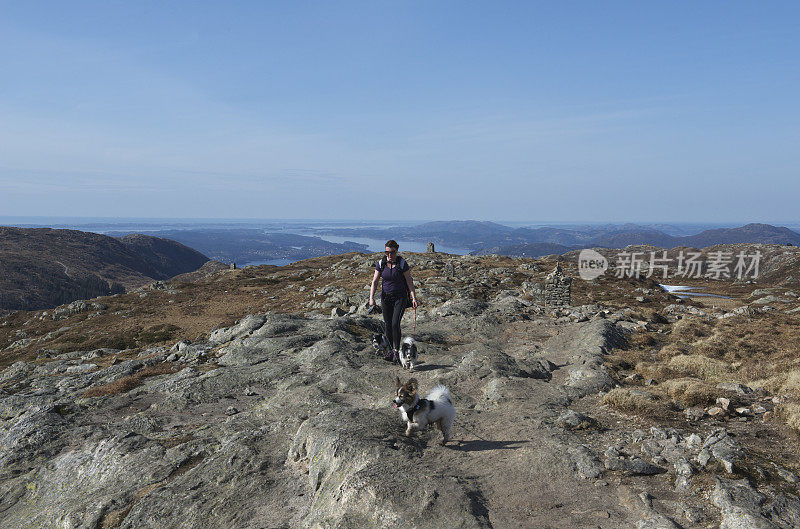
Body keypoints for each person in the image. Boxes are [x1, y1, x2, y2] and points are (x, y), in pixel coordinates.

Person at [369, 240, 418, 362]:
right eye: (387, 252)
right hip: (385, 298)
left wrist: (413, 297)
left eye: (392, 252)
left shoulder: (402, 264)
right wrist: (371, 298)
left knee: (395, 323)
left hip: (400, 297)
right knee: (388, 325)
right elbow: (375, 281)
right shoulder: (381, 263)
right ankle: (390, 351)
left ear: (396, 251)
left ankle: (396, 351)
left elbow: (409, 282)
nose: (389, 255)